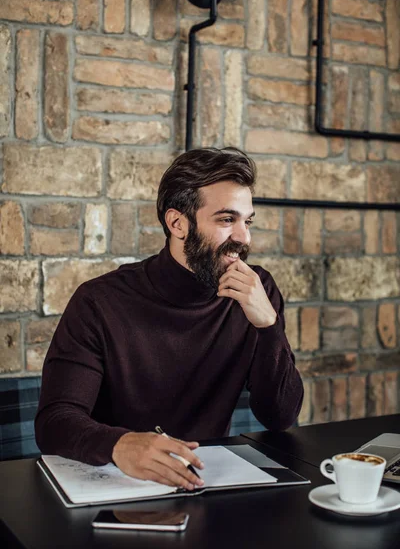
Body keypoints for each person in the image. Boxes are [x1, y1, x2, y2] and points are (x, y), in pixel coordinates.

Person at [35, 147, 303, 492]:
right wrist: (119, 445)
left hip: (209, 483)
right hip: (118, 483)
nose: (244, 238)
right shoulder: (99, 302)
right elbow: (54, 424)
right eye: (226, 220)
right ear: (177, 223)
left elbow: (280, 417)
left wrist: (269, 325)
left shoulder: (257, 290)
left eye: (246, 221)